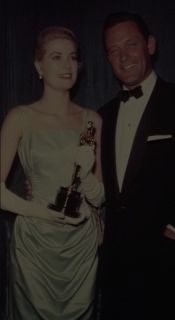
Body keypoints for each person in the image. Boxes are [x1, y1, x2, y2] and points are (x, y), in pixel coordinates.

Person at [97, 12, 175, 319]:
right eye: (113, 50)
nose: (123, 56)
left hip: (167, 265)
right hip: (114, 268)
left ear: (149, 45)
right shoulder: (101, 117)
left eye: (130, 44)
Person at [0, 26, 103, 319]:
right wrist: (42, 212)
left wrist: (85, 174)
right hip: (35, 244)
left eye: (72, 57)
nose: (67, 65)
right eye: (56, 57)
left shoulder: (91, 121)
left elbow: (101, 195)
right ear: (39, 66)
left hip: (80, 245)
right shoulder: (20, 118)